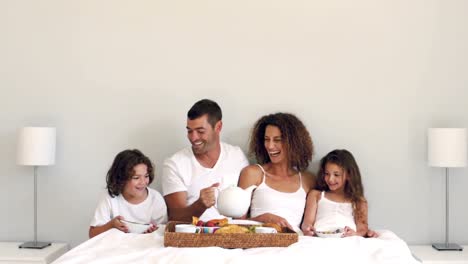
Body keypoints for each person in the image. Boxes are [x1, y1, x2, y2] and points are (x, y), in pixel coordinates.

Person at [162, 99, 249, 222]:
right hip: (193, 237)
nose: (193, 138)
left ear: (218, 127)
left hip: (233, 235)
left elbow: (245, 208)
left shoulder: (236, 156)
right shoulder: (174, 164)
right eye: (189, 131)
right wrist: (200, 205)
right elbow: (175, 218)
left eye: (200, 131)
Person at [238, 113, 314, 232]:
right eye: (266, 139)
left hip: (296, 244)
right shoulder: (253, 174)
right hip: (259, 245)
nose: (270, 146)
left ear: (294, 143)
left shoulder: (308, 180)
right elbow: (235, 226)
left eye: (277, 140)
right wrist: (263, 219)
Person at [89, 149, 167, 238]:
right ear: (121, 179)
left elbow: (163, 231)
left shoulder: (155, 198)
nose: (143, 182)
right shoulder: (110, 197)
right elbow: (92, 234)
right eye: (136, 177)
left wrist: (154, 232)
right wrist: (111, 225)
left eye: (146, 176)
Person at [301, 149, 372, 237]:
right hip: (320, 239)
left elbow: (362, 228)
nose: (330, 179)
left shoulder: (359, 201)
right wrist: (307, 229)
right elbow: (307, 222)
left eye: (336, 175)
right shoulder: (316, 195)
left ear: (349, 175)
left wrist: (355, 234)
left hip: (347, 240)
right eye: (327, 174)